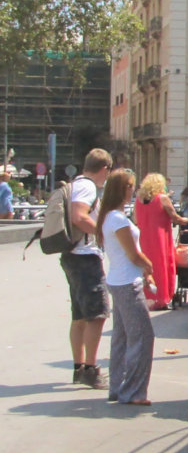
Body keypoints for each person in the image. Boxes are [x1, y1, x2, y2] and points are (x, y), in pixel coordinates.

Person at [96, 169, 156, 405]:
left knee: (122, 337)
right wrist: (150, 266)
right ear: (124, 189)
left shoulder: (109, 216)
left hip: (118, 279)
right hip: (127, 282)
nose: (134, 189)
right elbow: (133, 254)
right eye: (131, 185)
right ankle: (133, 391)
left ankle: (118, 386)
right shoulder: (118, 219)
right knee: (142, 336)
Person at [61, 149, 113, 389]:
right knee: (97, 315)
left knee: (80, 315)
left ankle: (79, 367)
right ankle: (90, 369)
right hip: (85, 257)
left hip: (73, 255)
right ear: (104, 169)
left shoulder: (76, 184)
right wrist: (103, 233)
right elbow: (79, 216)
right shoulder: (89, 187)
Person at [135, 173, 188, 309]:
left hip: (144, 238)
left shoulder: (139, 199)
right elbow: (176, 218)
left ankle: (148, 297)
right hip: (160, 239)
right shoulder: (162, 199)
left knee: (147, 267)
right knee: (162, 266)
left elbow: (136, 220)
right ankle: (161, 297)